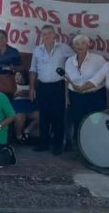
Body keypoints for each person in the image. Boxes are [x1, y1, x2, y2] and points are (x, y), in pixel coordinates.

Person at [29, 24, 74, 155]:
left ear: (54, 35)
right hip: (42, 86)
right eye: (44, 34)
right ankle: (43, 143)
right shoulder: (37, 50)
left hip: (58, 86)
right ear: (41, 36)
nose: (47, 36)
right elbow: (33, 69)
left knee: (58, 116)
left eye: (49, 33)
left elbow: (74, 61)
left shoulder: (64, 49)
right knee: (43, 116)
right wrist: (32, 87)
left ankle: (58, 145)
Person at [63, 34, 107, 145]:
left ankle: (94, 148)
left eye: (83, 43)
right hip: (76, 97)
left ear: (88, 45)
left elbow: (105, 77)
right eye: (77, 44)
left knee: (95, 122)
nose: (80, 46)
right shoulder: (69, 61)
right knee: (77, 121)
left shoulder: (99, 60)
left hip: (94, 96)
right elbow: (67, 79)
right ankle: (79, 148)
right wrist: (66, 96)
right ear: (73, 46)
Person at [12, 69, 39, 142]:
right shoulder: (13, 86)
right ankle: (19, 137)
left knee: (39, 117)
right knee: (19, 119)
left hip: (30, 105)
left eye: (19, 75)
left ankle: (27, 131)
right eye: (16, 75)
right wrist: (16, 94)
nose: (17, 77)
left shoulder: (31, 85)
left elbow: (35, 95)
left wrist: (27, 93)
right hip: (18, 106)